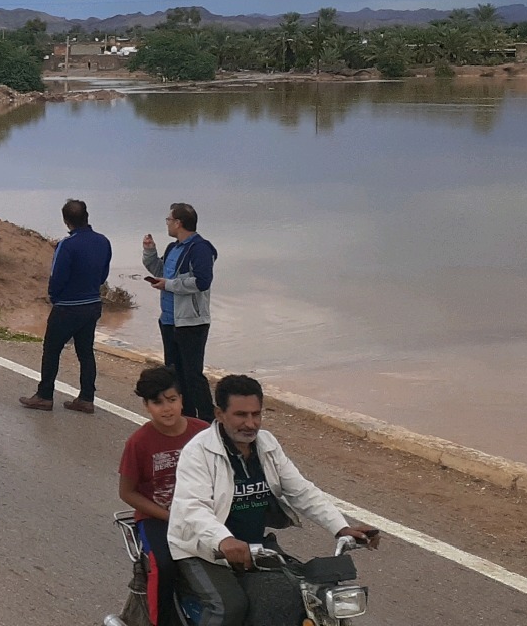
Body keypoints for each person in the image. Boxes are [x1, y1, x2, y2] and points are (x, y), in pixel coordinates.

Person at [169, 375, 382, 626]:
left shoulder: (266, 445)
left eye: (256, 414)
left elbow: (301, 491)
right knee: (230, 608)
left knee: (299, 596)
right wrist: (223, 540)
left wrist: (340, 527)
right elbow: (193, 508)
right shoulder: (198, 452)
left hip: (257, 548)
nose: (251, 423)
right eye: (240, 415)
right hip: (202, 551)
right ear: (220, 413)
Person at [119, 366, 212, 624]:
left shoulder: (203, 432)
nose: (166, 408)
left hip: (201, 511)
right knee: (165, 565)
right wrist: (169, 515)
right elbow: (126, 492)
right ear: (147, 406)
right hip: (156, 517)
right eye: (157, 403)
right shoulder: (138, 442)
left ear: (182, 399)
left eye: (172, 400)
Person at [22, 199, 112, 413]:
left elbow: (57, 277)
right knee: (86, 352)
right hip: (92, 304)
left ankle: (44, 395)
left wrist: (55, 297)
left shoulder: (67, 244)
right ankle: (87, 398)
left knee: (52, 349)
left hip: (68, 306)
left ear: (66, 220)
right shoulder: (103, 241)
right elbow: (103, 275)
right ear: (87, 216)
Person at [146, 203, 219, 421]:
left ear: (179, 223)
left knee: (192, 375)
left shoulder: (200, 249)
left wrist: (169, 285)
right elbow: (160, 271)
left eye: (169, 220)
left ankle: (208, 421)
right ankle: (185, 417)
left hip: (192, 322)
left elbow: (202, 282)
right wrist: (150, 252)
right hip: (169, 320)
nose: (167, 224)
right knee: (174, 374)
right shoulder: (172, 248)